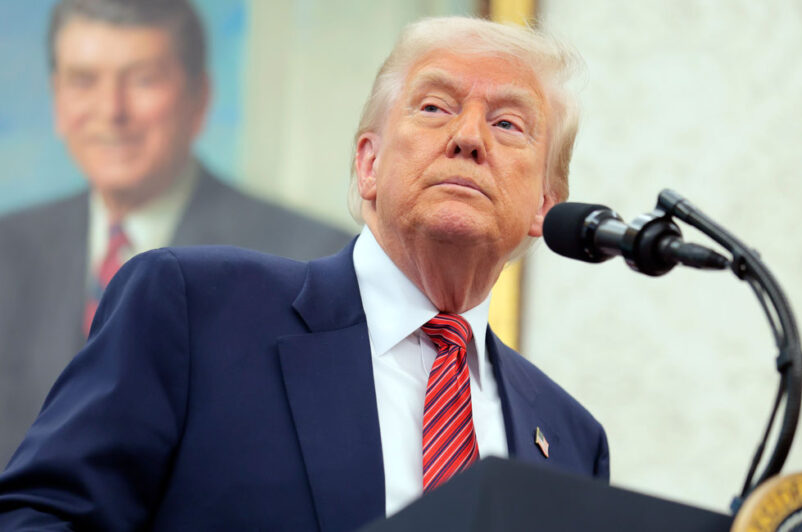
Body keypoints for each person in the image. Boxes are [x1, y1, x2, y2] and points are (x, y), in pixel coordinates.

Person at [0, 15, 608, 531]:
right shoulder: (193, 308)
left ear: (544, 205)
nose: (468, 137)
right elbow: (41, 516)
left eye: (507, 124)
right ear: (368, 164)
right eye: (434, 107)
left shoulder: (571, 439)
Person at [0, 0, 351, 464]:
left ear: (199, 98)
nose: (111, 110)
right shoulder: (8, 250)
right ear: (57, 100)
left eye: (143, 80)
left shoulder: (311, 264)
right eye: (84, 81)